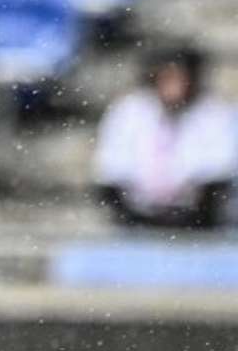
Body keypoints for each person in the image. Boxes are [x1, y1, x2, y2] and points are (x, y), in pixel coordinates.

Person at [94, 45, 237, 228]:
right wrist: (138, 215)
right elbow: (111, 175)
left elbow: (218, 179)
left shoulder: (218, 114)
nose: (175, 87)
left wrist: (187, 214)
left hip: (204, 221)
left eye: (182, 78)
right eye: (168, 78)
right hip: (137, 220)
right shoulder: (128, 111)